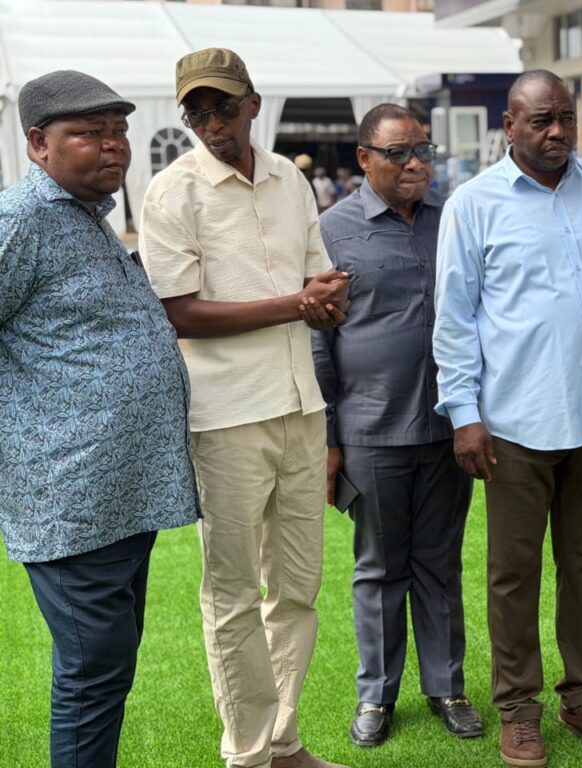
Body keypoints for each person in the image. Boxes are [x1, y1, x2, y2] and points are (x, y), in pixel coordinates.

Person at [433, 69, 582, 768]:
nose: (558, 131)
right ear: (509, 126)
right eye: (541, 120)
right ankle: (517, 707)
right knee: (513, 573)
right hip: (515, 422)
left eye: (566, 117)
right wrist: (464, 414)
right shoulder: (473, 204)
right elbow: (454, 319)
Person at [139, 48, 350, 768]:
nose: (211, 124)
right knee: (231, 593)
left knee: (298, 589)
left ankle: (283, 743)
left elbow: (318, 277)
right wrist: (297, 303)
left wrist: (328, 299)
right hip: (224, 415)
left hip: (300, 403)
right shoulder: (172, 192)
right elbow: (181, 313)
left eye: (223, 108)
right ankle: (248, 754)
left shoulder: (291, 178)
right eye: (195, 113)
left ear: (253, 104)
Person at [0, 70, 200, 768]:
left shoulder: (85, 214)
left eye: (119, 131)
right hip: (72, 500)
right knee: (93, 672)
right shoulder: (21, 221)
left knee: (106, 665)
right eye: (90, 133)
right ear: (38, 144)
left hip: (120, 496)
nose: (113, 146)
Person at [312, 104, 482, 748]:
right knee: (379, 567)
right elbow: (318, 340)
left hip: (448, 427)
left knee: (440, 563)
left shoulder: (452, 221)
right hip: (370, 430)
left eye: (423, 151)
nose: (415, 163)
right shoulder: (332, 230)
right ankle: (376, 695)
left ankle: (447, 688)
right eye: (398, 153)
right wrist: (330, 439)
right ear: (364, 159)